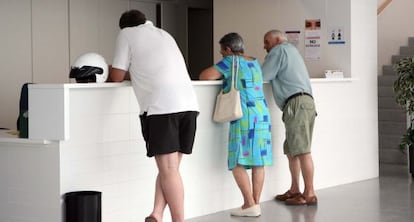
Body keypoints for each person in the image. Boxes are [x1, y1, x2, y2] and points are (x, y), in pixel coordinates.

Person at [109, 10, 199, 222]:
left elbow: (116, 76)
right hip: (189, 107)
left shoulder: (127, 34)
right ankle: (156, 214)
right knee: (170, 170)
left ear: (125, 26)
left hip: (162, 107)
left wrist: (109, 69)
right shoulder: (163, 34)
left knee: (168, 171)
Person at [199, 32, 273, 217]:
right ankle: (254, 203)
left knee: (237, 160)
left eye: (222, 51)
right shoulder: (254, 62)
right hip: (262, 114)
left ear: (229, 50)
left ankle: (249, 204)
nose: (221, 55)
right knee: (258, 160)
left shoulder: (230, 61)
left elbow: (205, 76)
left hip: (244, 116)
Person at [261, 29, 318, 205]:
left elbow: (264, 75)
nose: (265, 47)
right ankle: (295, 189)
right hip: (302, 103)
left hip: (296, 105)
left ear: (277, 40)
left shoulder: (279, 50)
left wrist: (249, 64)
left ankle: (309, 193)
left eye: (266, 42)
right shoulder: (291, 50)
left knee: (302, 151)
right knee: (292, 151)